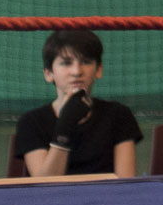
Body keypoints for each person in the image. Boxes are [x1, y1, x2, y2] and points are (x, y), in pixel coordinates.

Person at [14, 30, 143, 177]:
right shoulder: (31, 122)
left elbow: (125, 183)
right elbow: (44, 187)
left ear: (98, 69)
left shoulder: (118, 115)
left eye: (86, 62)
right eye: (66, 63)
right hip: (55, 199)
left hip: (106, 198)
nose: (76, 71)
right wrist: (66, 124)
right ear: (49, 73)